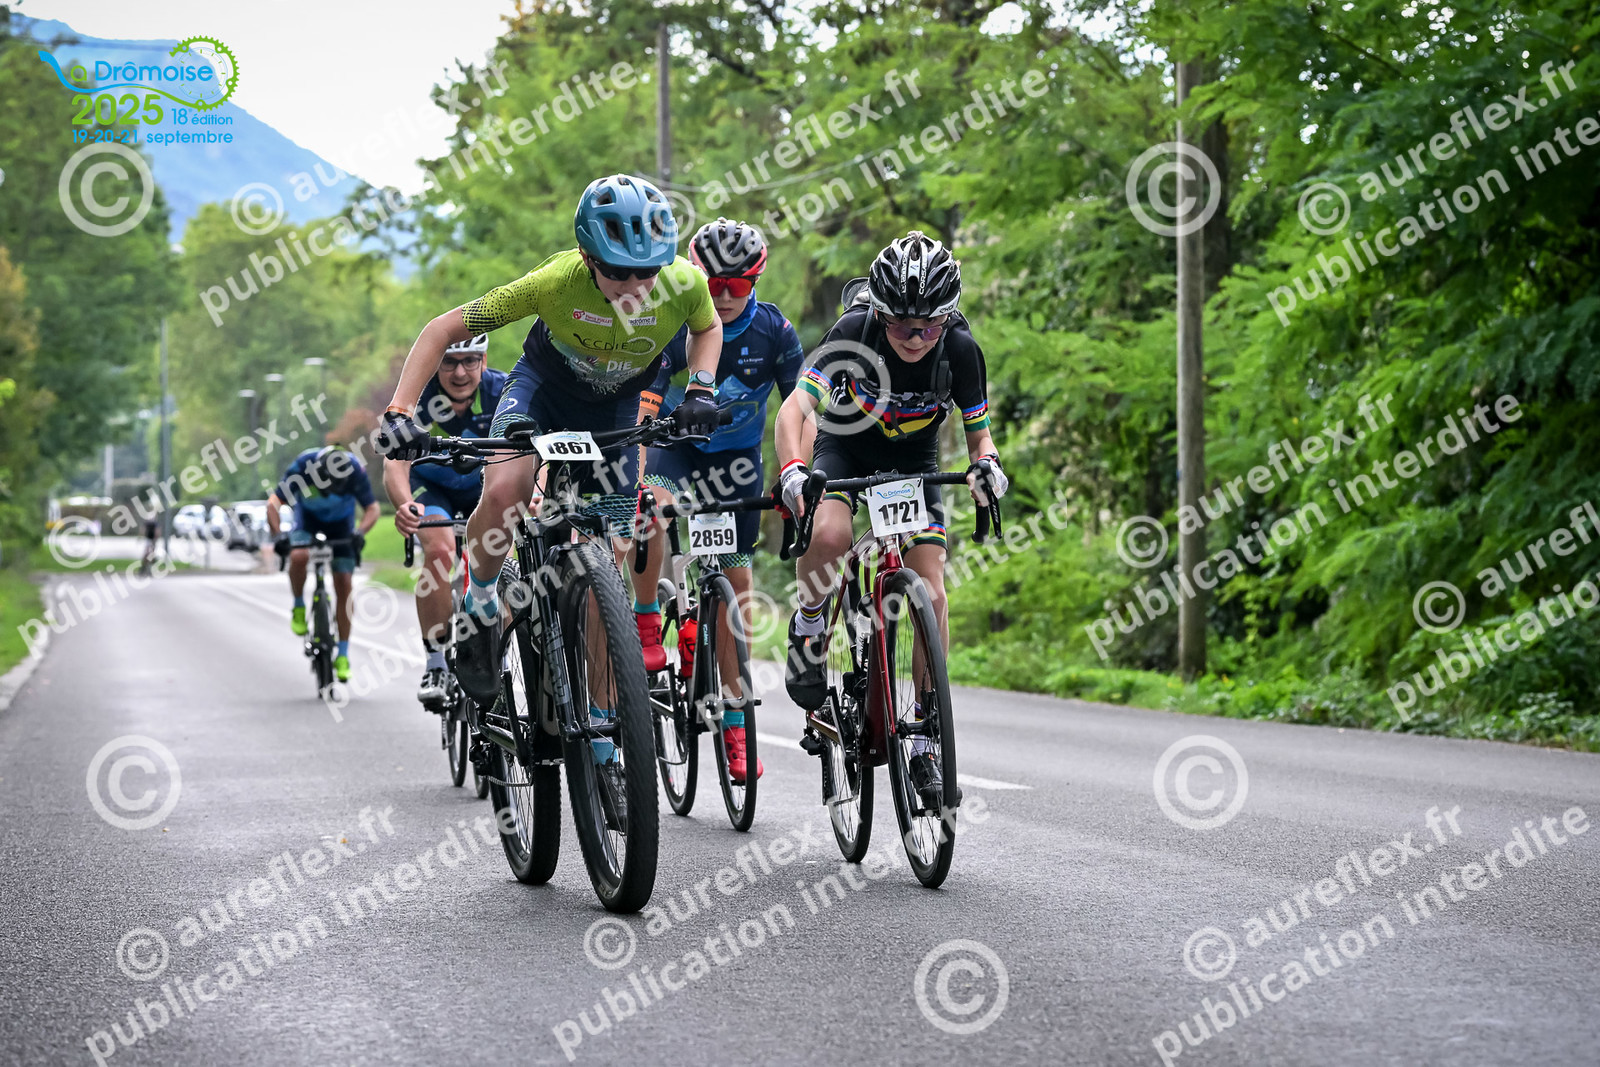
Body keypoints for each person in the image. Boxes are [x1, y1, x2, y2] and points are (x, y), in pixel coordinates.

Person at [375, 174, 724, 740]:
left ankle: (606, 727)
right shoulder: (555, 282)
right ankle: (482, 603)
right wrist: (400, 411)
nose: (636, 285)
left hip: (615, 405)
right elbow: (442, 330)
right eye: (618, 271)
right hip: (543, 390)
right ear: (587, 258)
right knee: (506, 492)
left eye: (647, 271)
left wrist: (702, 389)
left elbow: (707, 330)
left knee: (609, 562)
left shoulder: (684, 282)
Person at [774, 231, 1008, 802]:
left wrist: (989, 466)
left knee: (932, 589)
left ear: (947, 318)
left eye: (930, 325)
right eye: (902, 325)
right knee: (830, 534)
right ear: (879, 314)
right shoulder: (853, 332)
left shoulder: (960, 350)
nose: (916, 337)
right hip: (845, 450)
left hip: (914, 464)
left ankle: (925, 735)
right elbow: (795, 410)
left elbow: (980, 436)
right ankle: (810, 623)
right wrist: (794, 469)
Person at [636, 218, 803, 783]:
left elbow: (798, 412)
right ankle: (648, 617)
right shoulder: (675, 322)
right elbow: (646, 403)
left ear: (755, 280)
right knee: (649, 511)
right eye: (713, 284)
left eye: (738, 284)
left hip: (736, 465)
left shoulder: (775, 332)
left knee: (737, 589)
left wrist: (796, 473)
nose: (725, 295)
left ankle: (736, 723)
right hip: (674, 451)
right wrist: (636, 475)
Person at [382, 333, 507, 709]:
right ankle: (436, 663)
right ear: (436, 364)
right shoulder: (419, 397)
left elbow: (530, 447)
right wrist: (405, 504)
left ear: (483, 362)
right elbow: (394, 464)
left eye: (470, 361)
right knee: (439, 551)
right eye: (449, 362)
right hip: (431, 489)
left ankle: (502, 656)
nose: (460, 372)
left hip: (483, 486)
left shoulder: (502, 390)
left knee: (499, 559)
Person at [267, 445, 381, 683]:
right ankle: (299, 605)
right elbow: (273, 503)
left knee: (344, 582)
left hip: (341, 525)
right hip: (307, 522)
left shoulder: (354, 470)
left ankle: (343, 654)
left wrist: (360, 532)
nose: (330, 492)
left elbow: (372, 508)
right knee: (299, 556)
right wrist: (278, 536)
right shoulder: (302, 466)